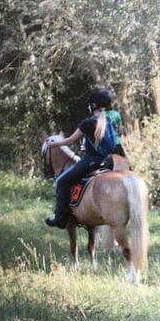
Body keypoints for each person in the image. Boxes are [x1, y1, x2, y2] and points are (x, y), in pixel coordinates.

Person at [44, 89, 120, 229]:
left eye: (89, 104)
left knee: (61, 181)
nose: (88, 107)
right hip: (109, 162)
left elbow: (71, 140)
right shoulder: (109, 120)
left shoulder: (88, 123)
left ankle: (60, 218)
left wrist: (54, 144)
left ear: (94, 105)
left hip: (91, 161)